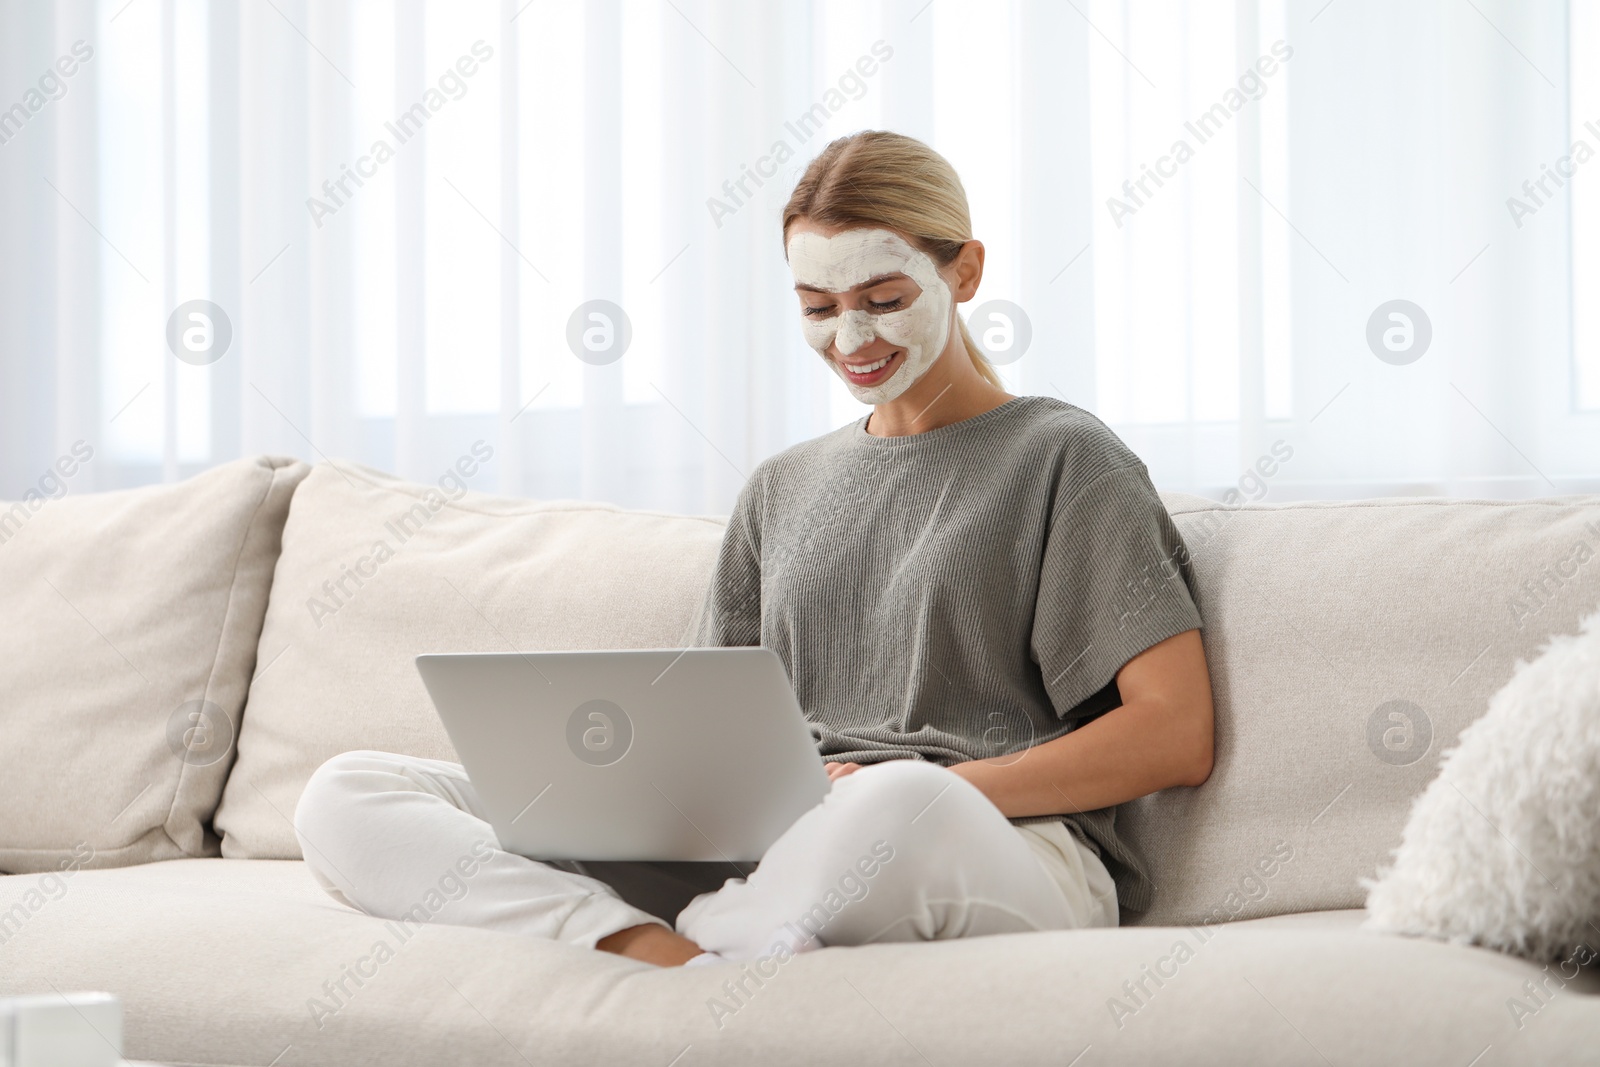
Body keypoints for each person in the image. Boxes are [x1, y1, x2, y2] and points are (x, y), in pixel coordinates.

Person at [293, 130, 1215, 970]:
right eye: (818, 307)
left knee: (893, 809)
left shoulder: (1062, 457)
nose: (851, 339)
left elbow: (1177, 732)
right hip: (772, 843)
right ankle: (651, 948)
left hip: (981, 836)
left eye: (884, 300)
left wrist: (919, 779)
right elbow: (705, 735)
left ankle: (726, 935)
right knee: (351, 793)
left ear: (965, 272)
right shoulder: (782, 487)